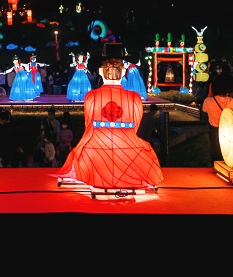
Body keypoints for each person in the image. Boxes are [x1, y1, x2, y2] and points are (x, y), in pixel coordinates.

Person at [55, 43, 163, 190]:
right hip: (128, 146)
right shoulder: (134, 97)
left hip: (96, 148)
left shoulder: (91, 96)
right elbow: (135, 125)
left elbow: (88, 126)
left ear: (100, 71)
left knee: (83, 152)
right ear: (124, 70)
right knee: (143, 155)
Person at [202, 74, 233, 166]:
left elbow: (204, 109)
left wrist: (210, 92)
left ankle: (216, 170)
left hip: (214, 131)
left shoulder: (208, 102)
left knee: (216, 154)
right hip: (231, 132)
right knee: (230, 155)